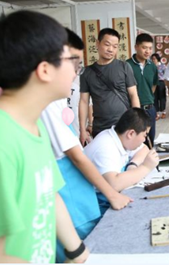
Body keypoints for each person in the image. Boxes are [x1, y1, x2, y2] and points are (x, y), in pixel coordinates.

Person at [0, 11, 89, 263]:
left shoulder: (31, 125)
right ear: (45, 70)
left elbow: (49, 194)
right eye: (72, 61)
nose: (76, 71)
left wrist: (78, 253)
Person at [40, 28, 133, 262]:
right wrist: (112, 194)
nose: (75, 73)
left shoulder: (52, 103)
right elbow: (77, 158)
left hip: (71, 195)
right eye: (72, 64)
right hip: (72, 193)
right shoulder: (49, 106)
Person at [85, 108, 159, 212]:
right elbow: (114, 184)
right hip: (93, 207)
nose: (144, 140)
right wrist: (145, 167)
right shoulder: (106, 147)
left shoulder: (121, 137)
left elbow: (144, 149)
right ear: (131, 133)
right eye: (144, 135)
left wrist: (133, 165)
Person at [79, 28, 140, 144]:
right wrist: (82, 129)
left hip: (124, 125)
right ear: (97, 43)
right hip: (100, 128)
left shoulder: (124, 66)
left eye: (115, 46)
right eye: (107, 44)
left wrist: (137, 122)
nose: (111, 49)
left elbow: (133, 95)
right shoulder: (87, 72)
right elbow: (83, 101)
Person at [127, 33, 158, 146]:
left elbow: (153, 85)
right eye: (144, 47)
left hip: (150, 109)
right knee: (135, 143)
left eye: (150, 48)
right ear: (136, 47)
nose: (147, 51)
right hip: (133, 110)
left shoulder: (152, 66)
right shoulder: (127, 65)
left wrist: (147, 98)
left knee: (150, 141)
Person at [152, 53, 167, 120]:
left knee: (162, 98)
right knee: (155, 98)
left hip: (161, 82)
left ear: (157, 59)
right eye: (152, 59)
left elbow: (166, 76)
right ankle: (157, 114)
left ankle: (163, 112)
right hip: (153, 84)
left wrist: (166, 85)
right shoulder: (150, 66)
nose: (153, 60)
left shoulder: (163, 66)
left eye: (154, 58)